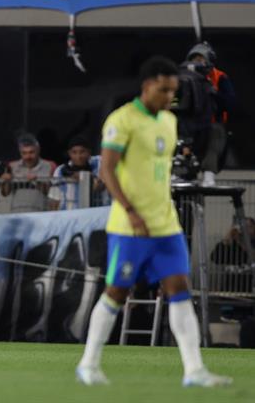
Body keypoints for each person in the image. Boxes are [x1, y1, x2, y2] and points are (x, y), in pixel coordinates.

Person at [76, 56, 232, 388]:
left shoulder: (168, 121)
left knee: (179, 290)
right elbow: (106, 170)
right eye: (164, 90)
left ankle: (194, 371)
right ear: (147, 86)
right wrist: (131, 211)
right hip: (130, 227)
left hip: (166, 224)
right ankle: (88, 364)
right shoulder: (122, 120)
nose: (170, 97)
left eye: (173, 91)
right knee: (117, 291)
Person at [175, 42, 234, 186]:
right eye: (194, 59)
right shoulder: (181, 76)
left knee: (216, 133)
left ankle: (208, 174)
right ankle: (179, 172)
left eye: (201, 60)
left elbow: (231, 103)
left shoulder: (219, 77)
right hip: (187, 124)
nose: (197, 63)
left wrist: (214, 93)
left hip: (209, 125)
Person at [0, 133, 56, 213]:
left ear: (38, 150)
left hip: (41, 213)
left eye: (31, 152)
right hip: (17, 212)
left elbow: (53, 193)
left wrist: (36, 181)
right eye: (24, 153)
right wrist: (5, 181)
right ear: (20, 152)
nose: (28, 157)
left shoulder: (49, 165)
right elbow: (5, 193)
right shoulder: (12, 166)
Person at [46, 136, 105, 210]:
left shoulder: (99, 163)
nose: (78, 156)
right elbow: (54, 199)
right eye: (74, 152)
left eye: (82, 152)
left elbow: (102, 184)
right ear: (69, 153)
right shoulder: (61, 170)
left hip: (96, 214)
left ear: (89, 152)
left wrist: (89, 177)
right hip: (69, 216)